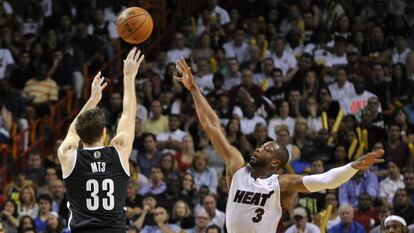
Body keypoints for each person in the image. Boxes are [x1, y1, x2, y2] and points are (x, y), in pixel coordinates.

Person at [174, 58, 385, 233]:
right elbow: (212, 125)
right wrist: (194, 90)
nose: (258, 148)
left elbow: (325, 180)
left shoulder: (282, 184)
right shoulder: (237, 167)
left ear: (275, 162)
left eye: (266, 148)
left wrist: (353, 166)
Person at [57, 47, 144, 233]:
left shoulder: (68, 156)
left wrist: (92, 100)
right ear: (105, 133)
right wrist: (129, 78)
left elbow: (72, 132)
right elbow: (129, 115)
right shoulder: (119, 151)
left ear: (80, 136)